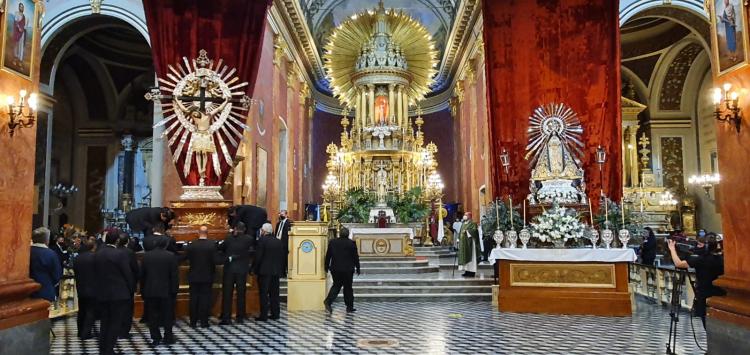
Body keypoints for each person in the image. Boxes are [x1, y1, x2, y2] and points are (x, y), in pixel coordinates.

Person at [667, 234, 725, 328]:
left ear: (706, 247)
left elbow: (678, 263)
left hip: (705, 296)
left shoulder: (701, 260)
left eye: (699, 245)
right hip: (720, 294)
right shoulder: (721, 259)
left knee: (707, 324)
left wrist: (672, 249)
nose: (697, 247)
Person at [94, 231, 136, 355]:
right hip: (119, 293)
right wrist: (131, 289)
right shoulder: (119, 254)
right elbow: (127, 273)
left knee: (104, 322)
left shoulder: (98, 253)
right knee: (115, 323)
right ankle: (109, 349)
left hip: (102, 292)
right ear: (117, 241)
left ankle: (103, 349)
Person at [140, 237, 179, 347]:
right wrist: (174, 291)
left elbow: (142, 275)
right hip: (166, 291)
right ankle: (168, 337)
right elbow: (174, 276)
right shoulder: (170, 256)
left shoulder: (146, 256)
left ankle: (155, 338)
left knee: (152, 316)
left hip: (150, 290)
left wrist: (142, 290)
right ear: (166, 245)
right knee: (168, 315)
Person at [185, 225, 220, 328]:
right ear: (207, 233)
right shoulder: (212, 245)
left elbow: (185, 257)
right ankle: (204, 321)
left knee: (193, 298)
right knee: (205, 299)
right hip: (207, 276)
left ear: (198, 232)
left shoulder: (192, 245)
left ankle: (193, 322)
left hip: (193, 275)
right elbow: (216, 260)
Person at [219, 222, 254, 325]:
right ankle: (240, 317)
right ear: (244, 229)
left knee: (227, 294)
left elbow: (221, 248)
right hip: (242, 270)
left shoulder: (229, 238)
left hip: (229, 269)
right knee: (241, 294)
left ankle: (226, 318)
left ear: (235, 229)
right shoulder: (248, 239)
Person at [324, 227, 360, 314]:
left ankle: (328, 302)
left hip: (335, 269)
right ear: (347, 234)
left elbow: (328, 255)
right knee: (348, 288)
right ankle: (349, 307)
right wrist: (358, 267)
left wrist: (326, 266)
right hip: (348, 269)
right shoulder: (351, 243)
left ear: (340, 234)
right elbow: (355, 257)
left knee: (336, 286)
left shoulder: (333, 242)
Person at [254, 223, 285, 321]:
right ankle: (275, 313)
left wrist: (254, 268)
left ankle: (263, 315)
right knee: (275, 294)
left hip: (264, 271)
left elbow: (258, 256)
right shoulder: (278, 241)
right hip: (275, 271)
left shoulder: (262, 241)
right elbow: (282, 257)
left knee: (264, 293)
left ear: (264, 231)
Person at [72, 237, 97, 340]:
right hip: (93, 287)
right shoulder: (95, 257)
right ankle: (86, 333)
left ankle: (80, 331)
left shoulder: (78, 258)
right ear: (92, 247)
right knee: (90, 311)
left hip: (80, 286)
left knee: (81, 310)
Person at [29, 227, 63, 303]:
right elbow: (57, 276)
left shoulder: (27, 251)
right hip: (45, 292)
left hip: (27, 292)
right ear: (47, 240)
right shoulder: (51, 254)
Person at [117, 233, 139, 339]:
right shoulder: (129, 252)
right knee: (127, 309)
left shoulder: (114, 251)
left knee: (116, 309)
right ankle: (124, 331)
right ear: (127, 242)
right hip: (127, 285)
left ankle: (116, 330)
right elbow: (135, 269)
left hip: (115, 285)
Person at [458, 212, 480, 277]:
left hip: (470, 244)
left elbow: (475, 231)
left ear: (469, 216)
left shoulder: (473, 224)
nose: (464, 216)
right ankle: (466, 271)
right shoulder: (463, 224)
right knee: (464, 257)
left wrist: (467, 231)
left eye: (466, 215)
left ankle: (472, 272)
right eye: (464, 215)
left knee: (471, 257)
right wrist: (458, 239)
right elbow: (460, 232)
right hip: (463, 244)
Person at [274, 210, 292, 277]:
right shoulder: (278, 223)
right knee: (278, 259)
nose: (281, 216)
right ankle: (279, 272)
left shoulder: (289, 223)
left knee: (284, 259)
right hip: (277, 243)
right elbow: (276, 233)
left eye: (282, 214)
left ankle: (283, 273)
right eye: (280, 214)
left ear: (286, 215)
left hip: (284, 244)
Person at [11, 1, 26, 66]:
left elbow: (24, 24)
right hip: (17, 32)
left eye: (22, 7)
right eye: (21, 7)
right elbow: (16, 22)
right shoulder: (16, 13)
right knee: (16, 45)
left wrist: (23, 29)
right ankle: (15, 59)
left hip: (22, 32)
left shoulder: (24, 16)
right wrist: (19, 28)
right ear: (19, 7)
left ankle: (20, 60)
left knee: (21, 46)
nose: (22, 8)